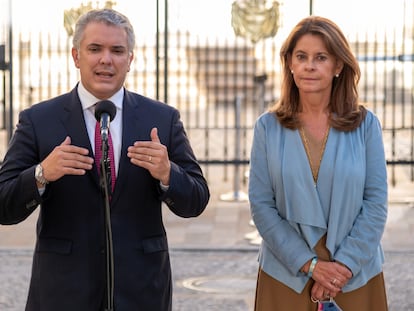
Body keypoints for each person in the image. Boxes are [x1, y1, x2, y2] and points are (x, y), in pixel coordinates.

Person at [0, 8, 209, 311]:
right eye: (95, 49)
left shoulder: (162, 119)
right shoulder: (38, 120)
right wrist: (41, 174)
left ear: (130, 60)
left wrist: (167, 173)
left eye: (117, 51)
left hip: (142, 292)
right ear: (76, 56)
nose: (106, 60)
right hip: (63, 293)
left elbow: (198, 199)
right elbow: (3, 205)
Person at [248, 16, 388, 310]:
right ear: (289, 63)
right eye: (301, 56)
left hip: (353, 275)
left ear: (338, 66)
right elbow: (261, 205)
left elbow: (375, 203)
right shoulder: (267, 127)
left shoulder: (366, 125)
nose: (309, 65)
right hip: (286, 274)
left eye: (320, 57)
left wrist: (343, 266)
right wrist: (310, 265)